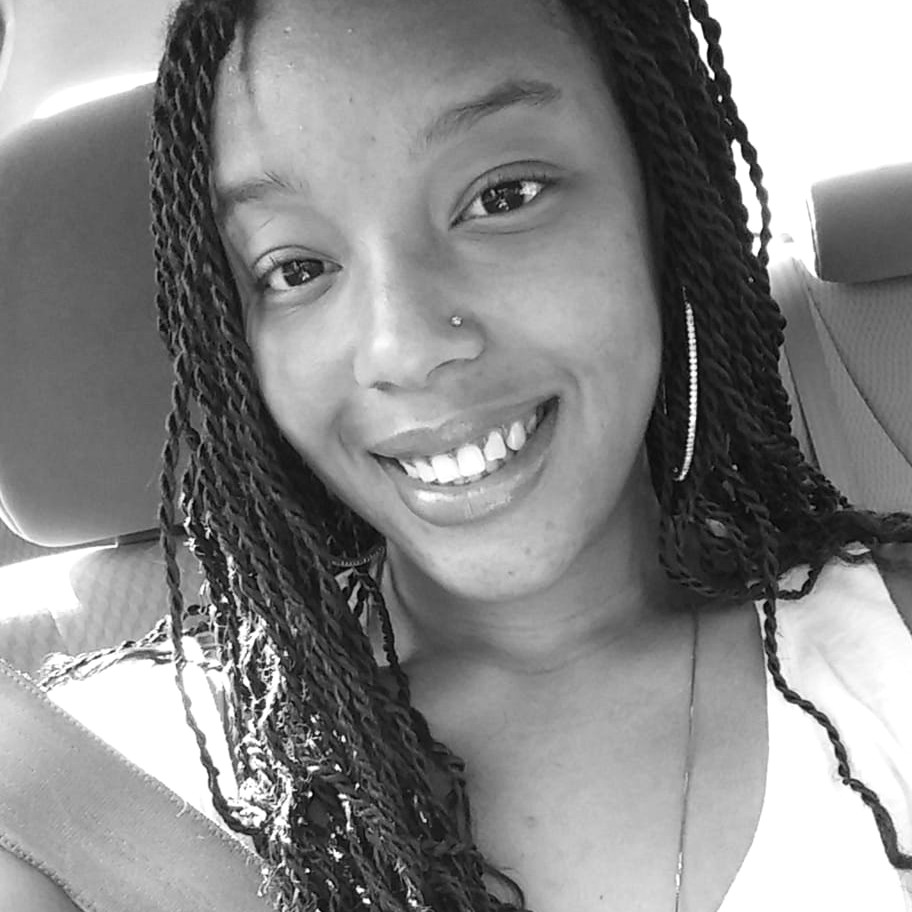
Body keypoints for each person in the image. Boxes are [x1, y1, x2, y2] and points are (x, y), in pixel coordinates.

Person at [2, 0, 912, 910]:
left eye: (502, 197)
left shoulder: (887, 645)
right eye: (296, 269)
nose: (401, 346)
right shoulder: (90, 783)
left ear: (662, 208)